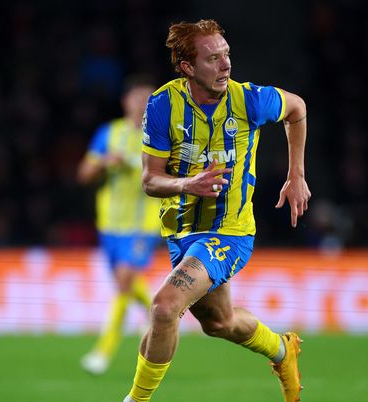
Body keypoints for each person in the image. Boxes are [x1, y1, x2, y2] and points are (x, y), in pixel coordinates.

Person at [123, 20, 311, 402]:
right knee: (219, 323)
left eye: (226, 54)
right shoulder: (163, 105)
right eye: (213, 58)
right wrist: (186, 184)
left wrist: (296, 175)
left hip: (229, 232)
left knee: (164, 308)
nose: (226, 64)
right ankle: (282, 350)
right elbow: (150, 180)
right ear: (187, 67)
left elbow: (297, 109)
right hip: (182, 233)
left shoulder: (249, 100)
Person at [78, 75, 161, 375]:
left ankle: (103, 352)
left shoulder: (162, 136)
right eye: (137, 97)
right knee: (125, 285)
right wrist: (104, 162)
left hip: (143, 224)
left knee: (125, 281)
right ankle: (162, 313)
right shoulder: (109, 133)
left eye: (148, 98)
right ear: (125, 101)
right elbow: (84, 174)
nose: (142, 103)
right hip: (110, 224)